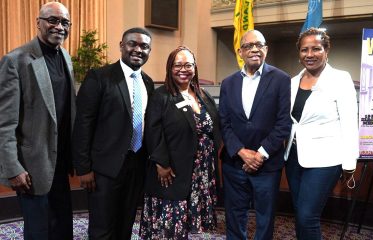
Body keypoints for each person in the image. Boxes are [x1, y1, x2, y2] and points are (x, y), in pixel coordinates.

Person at [0, 2, 75, 239]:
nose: (59, 26)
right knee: (39, 232)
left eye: (64, 22)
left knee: (63, 228)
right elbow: (4, 123)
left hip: (61, 163)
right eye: (53, 20)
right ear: (38, 23)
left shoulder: (65, 56)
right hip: (32, 167)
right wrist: (13, 168)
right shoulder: (15, 60)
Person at [72, 27, 154, 240]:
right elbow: (83, 123)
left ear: (149, 51)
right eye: (132, 44)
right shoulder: (99, 77)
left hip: (135, 167)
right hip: (103, 170)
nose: (138, 49)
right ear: (121, 46)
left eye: (144, 46)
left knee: (125, 225)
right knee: (102, 229)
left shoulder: (148, 82)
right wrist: (83, 168)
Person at [284, 28, 359, 240]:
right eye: (304, 49)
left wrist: (349, 163)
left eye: (316, 48)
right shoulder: (291, 82)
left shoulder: (340, 79)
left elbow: (349, 122)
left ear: (326, 50)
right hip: (294, 157)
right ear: (299, 53)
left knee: (308, 216)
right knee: (300, 214)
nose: (310, 54)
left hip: (326, 159)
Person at [139, 46, 221, 239]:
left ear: (195, 68)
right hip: (172, 170)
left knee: (187, 224)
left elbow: (214, 127)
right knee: (170, 226)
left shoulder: (203, 95)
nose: (183, 69)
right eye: (178, 65)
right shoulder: (161, 96)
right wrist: (161, 163)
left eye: (188, 65)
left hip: (200, 171)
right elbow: (152, 130)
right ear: (170, 68)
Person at [219, 30, 291, 239]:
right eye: (249, 46)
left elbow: (283, 123)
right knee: (234, 216)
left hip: (266, 164)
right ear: (240, 52)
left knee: (265, 218)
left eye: (259, 45)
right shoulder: (228, 83)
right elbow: (224, 123)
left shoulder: (281, 79)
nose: (254, 49)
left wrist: (260, 154)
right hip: (234, 163)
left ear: (266, 50)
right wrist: (241, 152)